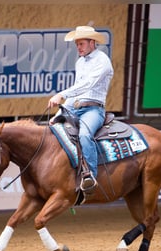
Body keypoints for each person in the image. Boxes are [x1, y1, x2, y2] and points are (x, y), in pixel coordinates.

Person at [47, 25, 114, 192]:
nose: (78, 47)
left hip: (94, 110)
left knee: (84, 134)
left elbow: (86, 85)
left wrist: (60, 94)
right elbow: (76, 93)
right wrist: (59, 113)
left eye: (81, 43)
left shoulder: (102, 60)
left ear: (92, 43)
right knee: (52, 131)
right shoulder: (80, 63)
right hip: (75, 108)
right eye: (77, 44)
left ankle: (90, 176)